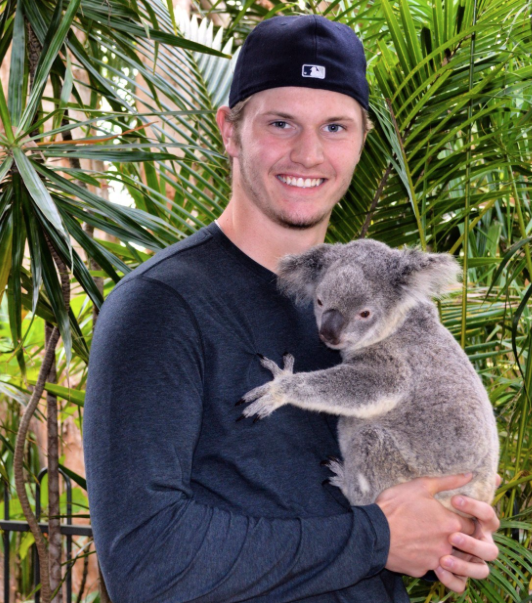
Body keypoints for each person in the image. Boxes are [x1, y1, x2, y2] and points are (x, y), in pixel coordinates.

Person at [83, 14, 499, 603]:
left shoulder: (380, 308)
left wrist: (444, 528)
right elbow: (146, 565)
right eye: (281, 123)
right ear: (230, 130)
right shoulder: (160, 308)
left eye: (335, 126)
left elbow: (376, 509)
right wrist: (375, 538)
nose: (308, 153)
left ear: (361, 140)